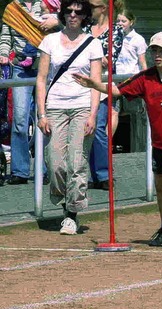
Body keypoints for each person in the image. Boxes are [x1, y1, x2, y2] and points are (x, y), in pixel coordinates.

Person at [74, 31, 162, 251]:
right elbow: (118, 90)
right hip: (159, 141)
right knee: (161, 186)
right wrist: (94, 85)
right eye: (154, 50)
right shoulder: (146, 77)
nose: (157, 55)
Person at [35, 0, 102, 234]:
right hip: (54, 106)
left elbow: (96, 83)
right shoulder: (50, 41)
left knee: (77, 161)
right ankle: (65, 200)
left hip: (82, 105)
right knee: (55, 164)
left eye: (78, 12)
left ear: (85, 16)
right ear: (62, 14)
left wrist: (93, 114)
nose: (73, 15)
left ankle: (72, 213)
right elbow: (41, 79)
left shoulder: (93, 44)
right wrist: (41, 113)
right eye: (69, 11)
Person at [0, 0, 53, 185]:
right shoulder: (13, 8)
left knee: (45, 118)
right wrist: (4, 53)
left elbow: (58, 30)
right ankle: (20, 171)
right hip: (20, 68)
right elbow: (6, 37)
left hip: (44, 65)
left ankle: (45, 169)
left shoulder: (47, 5)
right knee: (20, 119)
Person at [85, 0, 124, 190]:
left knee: (99, 127)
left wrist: (90, 52)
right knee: (87, 128)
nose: (88, 10)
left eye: (92, 6)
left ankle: (104, 174)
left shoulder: (115, 30)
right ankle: (91, 174)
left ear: (102, 8)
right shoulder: (85, 27)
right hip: (82, 82)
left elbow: (110, 61)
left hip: (102, 85)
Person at [115, 7, 146, 75]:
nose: (120, 23)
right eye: (118, 21)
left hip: (131, 76)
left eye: (124, 21)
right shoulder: (113, 37)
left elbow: (142, 63)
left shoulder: (138, 39)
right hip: (115, 77)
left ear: (131, 22)